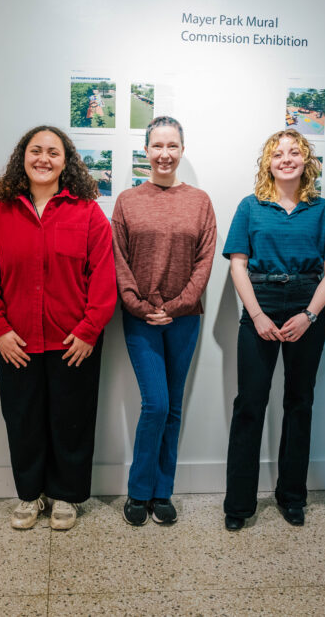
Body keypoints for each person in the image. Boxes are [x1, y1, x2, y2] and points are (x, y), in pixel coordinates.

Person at [0, 125, 116, 531]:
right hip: (16, 342)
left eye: (53, 152)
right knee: (23, 420)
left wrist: (89, 330)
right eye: (36, 151)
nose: (44, 159)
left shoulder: (87, 213)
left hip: (75, 343)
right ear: (23, 158)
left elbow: (104, 275)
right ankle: (30, 494)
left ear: (66, 162)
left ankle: (66, 494)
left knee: (72, 420)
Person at [222, 129, 325, 531]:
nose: (287, 158)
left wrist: (309, 315)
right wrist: (257, 315)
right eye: (279, 154)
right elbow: (238, 264)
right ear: (268, 162)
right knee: (250, 404)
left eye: (295, 152)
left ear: (306, 161)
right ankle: (239, 504)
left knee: (299, 402)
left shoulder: (324, 209)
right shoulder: (251, 206)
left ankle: (292, 496)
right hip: (261, 303)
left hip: (306, 306)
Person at [112, 116, 216, 526]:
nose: (164, 154)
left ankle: (162, 491)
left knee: (172, 407)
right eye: (157, 146)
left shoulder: (200, 201)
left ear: (182, 150)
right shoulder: (127, 201)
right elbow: (118, 260)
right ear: (146, 150)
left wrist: (176, 306)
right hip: (139, 320)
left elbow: (206, 260)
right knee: (155, 403)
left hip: (184, 319)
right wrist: (139, 305)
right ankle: (139, 490)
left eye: (172, 146)